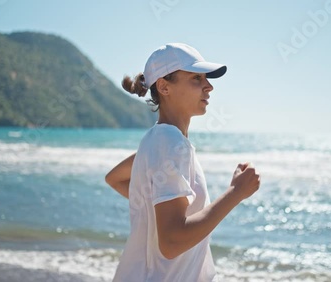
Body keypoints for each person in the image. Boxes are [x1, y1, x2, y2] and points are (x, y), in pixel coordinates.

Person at [105, 43, 260, 282]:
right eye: (197, 79)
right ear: (164, 87)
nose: (209, 86)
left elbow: (114, 178)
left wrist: (149, 176)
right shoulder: (168, 142)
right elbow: (172, 242)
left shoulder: (161, 142)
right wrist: (235, 193)